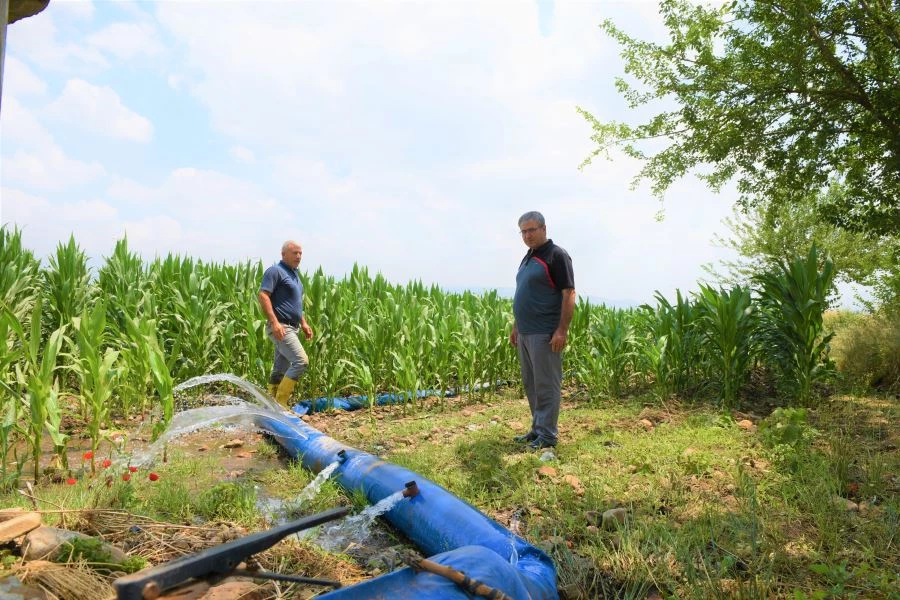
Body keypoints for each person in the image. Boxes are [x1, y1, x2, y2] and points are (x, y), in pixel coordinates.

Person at [509, 211, 575, 450]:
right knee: (532, 384)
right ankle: (537, 429)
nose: (527, 235)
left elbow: (569, 293)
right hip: (525, 332)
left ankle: (547, 436)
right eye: (523, 231)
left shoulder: (556, 255)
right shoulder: (528, 257)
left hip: (545, 333)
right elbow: (525, 293)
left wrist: (562, 330)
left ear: (544, 229)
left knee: (546, 385)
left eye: (532, 230)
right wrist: (516, 326)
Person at [258, 240, 314, 410]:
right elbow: (263, 295)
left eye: (300, 253)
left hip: (292, 327)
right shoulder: (275, 271)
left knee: (280, 369)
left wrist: (303, 323)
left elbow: (295, 304)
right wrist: (274, 322)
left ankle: (270, 405)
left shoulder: (295, 276)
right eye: (294, 253)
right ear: (283, 254)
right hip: (281, 327)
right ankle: (281, 404)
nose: (298, 256)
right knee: (301, 361)